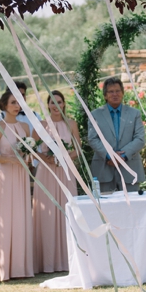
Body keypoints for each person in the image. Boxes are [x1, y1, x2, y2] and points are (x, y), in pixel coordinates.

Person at [0, 90, 36, 281]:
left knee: (22, 216)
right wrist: (9, 158)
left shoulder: (25, 127)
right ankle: (4, 267)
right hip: (6, 176)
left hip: (22, 175)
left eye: (19, 102)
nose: (17, 106)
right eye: (13, 102)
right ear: (4, 105)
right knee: (6, 217)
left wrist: (27, 157)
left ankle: (22, 267)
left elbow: (30, 154)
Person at [33, 90, 81, 274]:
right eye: (52, 102)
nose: (55, 105)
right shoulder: (42, 125)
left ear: (64, 104)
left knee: (67, 211)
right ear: (48, 104)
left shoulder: (71, 124)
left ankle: (68, 260)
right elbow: (31, 146)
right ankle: (47, 262)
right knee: (48, 215)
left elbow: (78, 148)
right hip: (46, 173)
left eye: (59, 102)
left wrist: (66, 158)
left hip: (66, 172)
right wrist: (47, 159)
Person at [85, 77, 146, 194]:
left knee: (132, 209)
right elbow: (93, 139)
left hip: (130, 170)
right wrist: (110, 156)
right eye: (111, 91)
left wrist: (121, 157)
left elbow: (140, 139)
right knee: (106, 210)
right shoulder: (95, 115)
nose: (115, 94)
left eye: (118, 91)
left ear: (122, 93)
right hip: (104, 170)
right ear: (105, 95)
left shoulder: (134, 114)